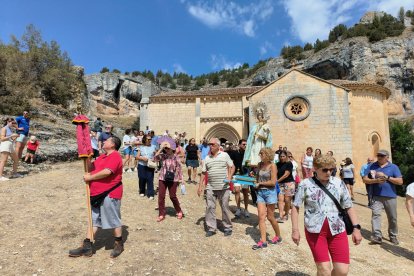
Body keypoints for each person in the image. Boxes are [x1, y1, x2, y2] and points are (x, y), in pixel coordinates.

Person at [292, 155, 362, 276]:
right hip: (315, 231)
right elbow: (295, 206)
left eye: (331, 169)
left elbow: (349, 206)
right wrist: (295, 230)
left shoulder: (339, 183)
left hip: (337, 231)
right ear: (315, 168)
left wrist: (356, 229)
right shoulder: (305, 184)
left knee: (342, 271)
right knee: (324, 270)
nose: (328, 173)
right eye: (325, 170)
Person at [68, 136, 124, 258]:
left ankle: (119, 243)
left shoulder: (115, 156)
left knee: (113, 218)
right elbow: (91, 168)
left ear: (113, 145)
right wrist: (87, 158)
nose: (104, 141)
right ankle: (87, 246)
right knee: (94, 220)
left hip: (109, 193)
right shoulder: (102, 156)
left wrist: (91, 178)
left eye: (107, 140)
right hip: (96, 194)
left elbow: (107, 172)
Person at [362, 149, 403, 245]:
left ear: (387, 157)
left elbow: (400, 182)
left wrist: (387, 177)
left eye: (382, 156)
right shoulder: (372, 166)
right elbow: (365, 179)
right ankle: (377, 236)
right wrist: (375, 181)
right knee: (376, 215)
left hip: (390, 196)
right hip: (376, 196)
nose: (379, 157)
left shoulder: (393, 167)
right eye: (378, 155)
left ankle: (393, 235)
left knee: (392, 217)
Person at [197, 138, 235, 237]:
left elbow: (232, 166)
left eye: (213, 144)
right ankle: (211, 228)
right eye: (210, 144)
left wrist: (229, 177)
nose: (211, 146)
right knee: (210, 207)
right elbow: (203, 173)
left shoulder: (224, 155)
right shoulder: (207, 158)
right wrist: (200, 186)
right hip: (211, 187)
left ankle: (227, 227)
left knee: (225, 207)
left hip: (223, 187)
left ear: (218, 146)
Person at [252, 147, 282, 249]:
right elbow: (257, 178)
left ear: (268, 155)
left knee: (270, 217)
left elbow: (273, 182)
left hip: (270, 193)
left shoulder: (273, 166)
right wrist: (255, 182)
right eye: (260, 153)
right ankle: (263, 241)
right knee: (261, 217)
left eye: (262, 154)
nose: (260, 155)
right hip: (260, 192)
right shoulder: (259, 165)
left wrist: (260, 183)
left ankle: (278, 236)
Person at [154, 141, 184, 222]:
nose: (166, 149)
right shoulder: (163, 156)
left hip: (173, 179)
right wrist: (161, 148)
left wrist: (181, 179)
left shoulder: (176, 157)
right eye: (165, 148)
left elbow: (179, 169)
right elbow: (155, 158)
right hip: (162, 178)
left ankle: (179, 210)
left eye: (168, 148)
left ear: (172, 148)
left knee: (172, 196)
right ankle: (161, 214)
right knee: (161, 196)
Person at [243, 102, 272, 167]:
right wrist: (254, 135)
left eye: (260, 115)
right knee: (254, 152)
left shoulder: (266, 125)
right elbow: (251, 135)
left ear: (262, 116)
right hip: (254, 143)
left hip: (261, 143)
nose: (259, 117)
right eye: (258, 115)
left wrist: (263, 128)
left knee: (261, 153)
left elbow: (267, 135)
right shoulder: (254, 126)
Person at [228, 139, 250, 218]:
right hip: (236, 174)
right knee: (237, 191)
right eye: (243, 144)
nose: (245, 146)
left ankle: (246, 209)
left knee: (245, 192)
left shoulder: (247, 154)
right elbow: (230, 163)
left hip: (245, 174)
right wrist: (229, 174)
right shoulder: (234, 153)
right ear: (239, 145)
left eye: (246, 144)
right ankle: (238, 208)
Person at [136, 134, 157, 199]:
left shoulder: (153, 146)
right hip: (141, 165)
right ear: (145, 140)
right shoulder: (141, 147)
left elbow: (156, 156)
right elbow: (137, 157)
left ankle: (151, 194)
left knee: (150, 179)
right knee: (142, 178)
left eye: (151, 139)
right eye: (148, 139)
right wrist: (142, 158)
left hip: (150, 165)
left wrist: (154, 159)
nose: (150, 140)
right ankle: (142, 191)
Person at [277, 150, 295, 222]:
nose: (282, 158)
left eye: (283, 156)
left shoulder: (289, 164)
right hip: (280, 184)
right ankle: (281, 215)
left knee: (287, 200)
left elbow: (286, 174)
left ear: (286, 156)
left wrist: (277, 181)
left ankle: (286, 214)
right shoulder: (277, 164)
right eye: (281, 156)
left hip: (289, 183)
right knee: (280, 199)